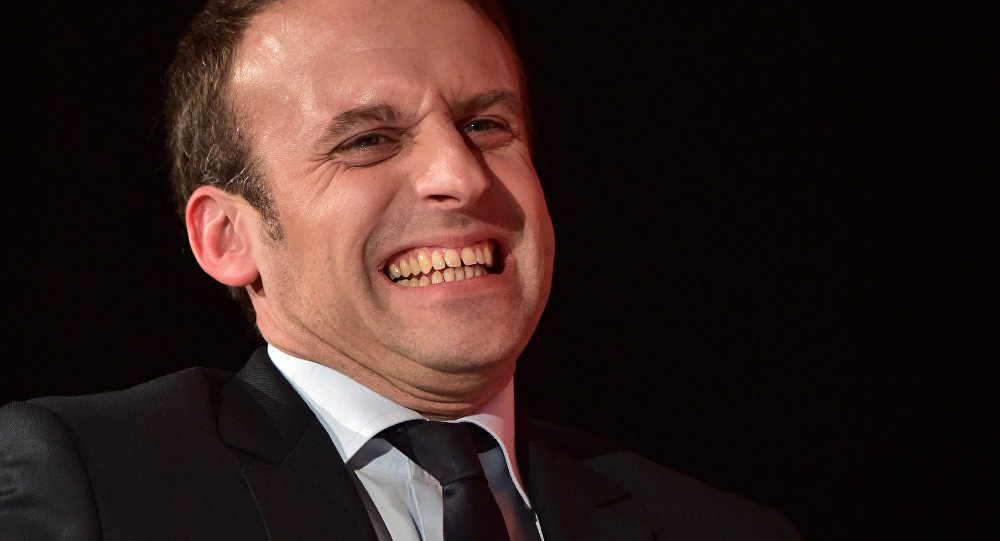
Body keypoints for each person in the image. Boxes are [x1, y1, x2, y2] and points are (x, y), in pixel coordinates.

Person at [0, 0, 802, 539]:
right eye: (368, 140)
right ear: (228, 237)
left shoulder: (721, 527)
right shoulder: (92, 481)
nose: (460, 174)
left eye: (484, 124)